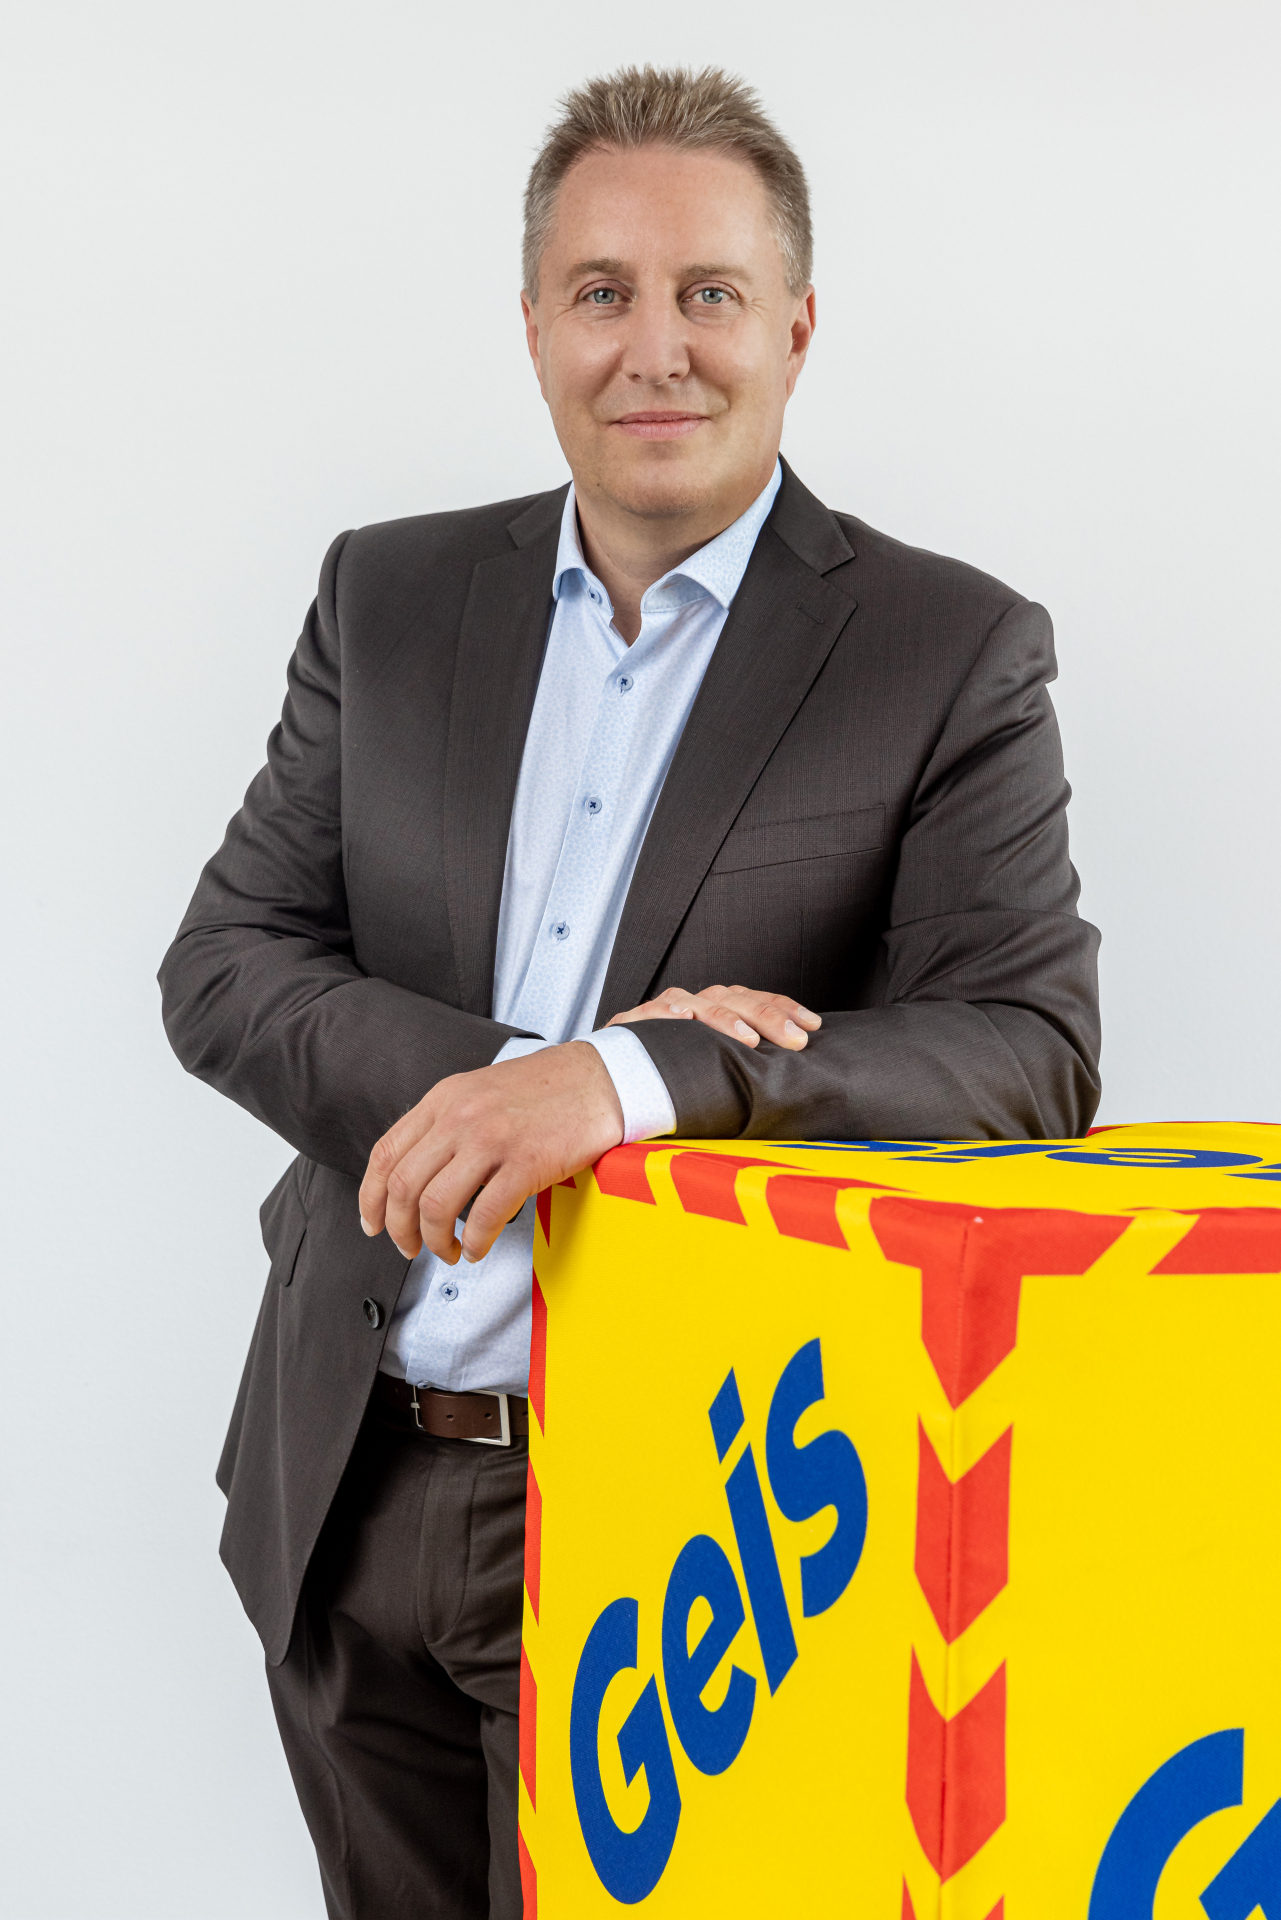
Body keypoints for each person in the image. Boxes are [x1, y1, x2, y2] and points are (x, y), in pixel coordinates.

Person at [159, 63, 1100, 1920]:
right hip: (346, 1482)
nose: (654, 348)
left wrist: (637, 1085)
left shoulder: (947, 650)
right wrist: (528, 1074)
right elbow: (227, 963)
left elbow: (1025, 1050)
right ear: (533, 324)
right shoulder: (387, 595)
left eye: (708, 293)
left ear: (796, 328)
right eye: (601, 291)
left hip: (690, 1540)